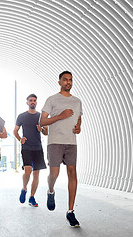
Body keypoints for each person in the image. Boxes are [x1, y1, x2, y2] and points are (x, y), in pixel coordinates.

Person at [40, 71, 82, 227]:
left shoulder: (77, 101)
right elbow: (43, 121)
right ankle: (51, 190)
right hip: (55, 142)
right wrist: (60, 116)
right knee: (54, 173)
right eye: (65, 80)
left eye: (70, 80)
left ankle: (70, 212)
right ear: (59, 82)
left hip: (71, 142)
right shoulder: (52, 100)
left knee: (73, 173)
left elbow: (79, 117)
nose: (68, 82)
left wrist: (78, 127)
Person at [13, 94, 48, 207]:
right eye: (30, 100)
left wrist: (41, 129)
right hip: (26, 147)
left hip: (38, 148)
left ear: (36, 103)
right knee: (27, 171)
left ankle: (32, 197)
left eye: (34, 100)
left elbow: (46, 132)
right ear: (27, 102)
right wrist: (20, 139)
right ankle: (24, 188)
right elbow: (15, 131)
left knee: (36, 173)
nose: (32, 102)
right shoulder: (22, 116)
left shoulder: (41, 116)